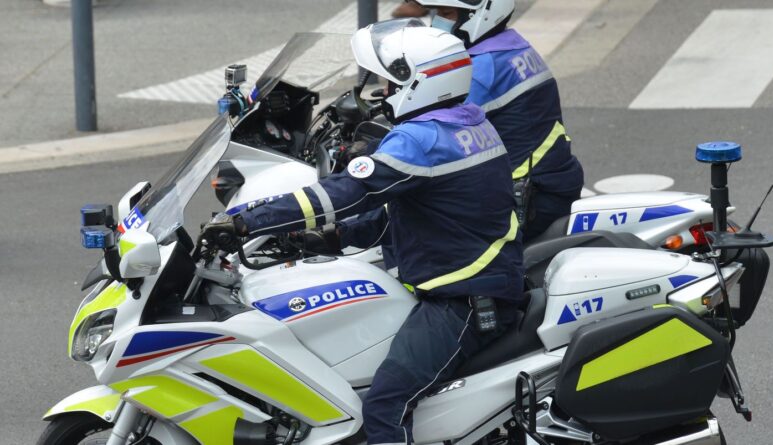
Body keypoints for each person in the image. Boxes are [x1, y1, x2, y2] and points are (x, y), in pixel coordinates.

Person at [203, 20, 524, 445]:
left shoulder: (423, 140)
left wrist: (246, 221)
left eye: (391, 84)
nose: (383, 94)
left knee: (385, 404)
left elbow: (347, 192)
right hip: (470, 275)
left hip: (463, 299)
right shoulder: (467, 123)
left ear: (421, 83)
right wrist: (331, 239)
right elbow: (422, 213)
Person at [410, 0, 584, 240]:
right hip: (551, 183)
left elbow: (437, 131)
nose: (437, 22)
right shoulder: (511, 46)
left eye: (446, 13)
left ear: (479, 15)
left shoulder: (480, 70)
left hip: (526, 200)